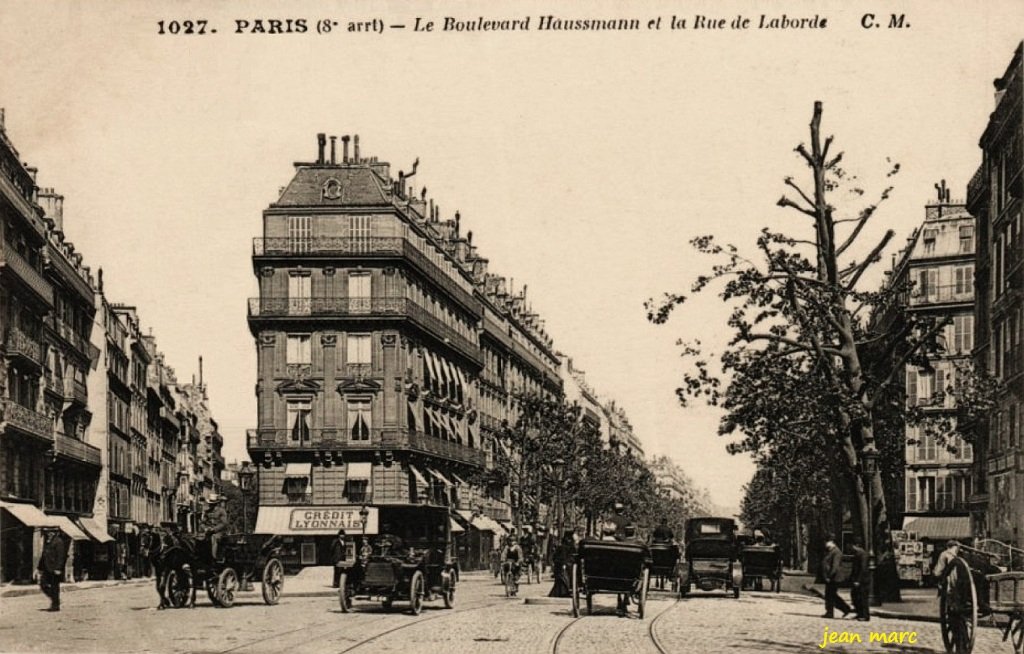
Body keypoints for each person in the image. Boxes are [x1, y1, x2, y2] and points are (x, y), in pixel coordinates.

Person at [37, 528, 69, 612]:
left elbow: (61, 556)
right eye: (48, 532)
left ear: (55, 533)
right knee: (43, 584)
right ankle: (55, 599)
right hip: (46, 567)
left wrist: (58, 568)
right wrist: (39, 568)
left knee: (55, 587)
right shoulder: (47, 541)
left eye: (51, 532)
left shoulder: (58, 542)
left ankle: (55, 606)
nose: (49, 533)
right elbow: (43, 555)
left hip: (54, 568)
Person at [822, 537, 852, 619]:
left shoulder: (836, 552)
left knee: (830, 595)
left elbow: (835, 566)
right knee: (831, 595)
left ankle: (838, 610)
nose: (826, 544)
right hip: (831, 577)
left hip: (834, 577)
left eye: (827, 542)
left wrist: (829, 576)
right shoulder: (830, 551)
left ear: (832, 542)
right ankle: (841, 609)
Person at [548, 529, 576, 598]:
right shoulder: (566, 546)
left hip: (562, 564)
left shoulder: (563, 545)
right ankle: (563, 591)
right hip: (564, 564)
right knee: (564, 577)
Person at [201, 494, 229, 561]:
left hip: (220, 532)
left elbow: (224, 523)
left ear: (216, 504)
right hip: (208, 532)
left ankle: (213, 557)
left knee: (213, 537)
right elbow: (202, 523)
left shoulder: (221, 511)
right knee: (199, 538)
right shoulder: (207, 512)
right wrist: (205, 528)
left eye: (213, 504)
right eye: (210, 504)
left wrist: (214, 529)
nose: (211, 505)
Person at [849, 537, 870, 622]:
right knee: (855, 596)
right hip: (857, 580)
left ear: (856, 545)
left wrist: (858, 580)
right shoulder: (857, 553)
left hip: (862, 580)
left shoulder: (862, 554)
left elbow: (863, 568)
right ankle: (859, 613)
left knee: (862, 597)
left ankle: (865, 615)